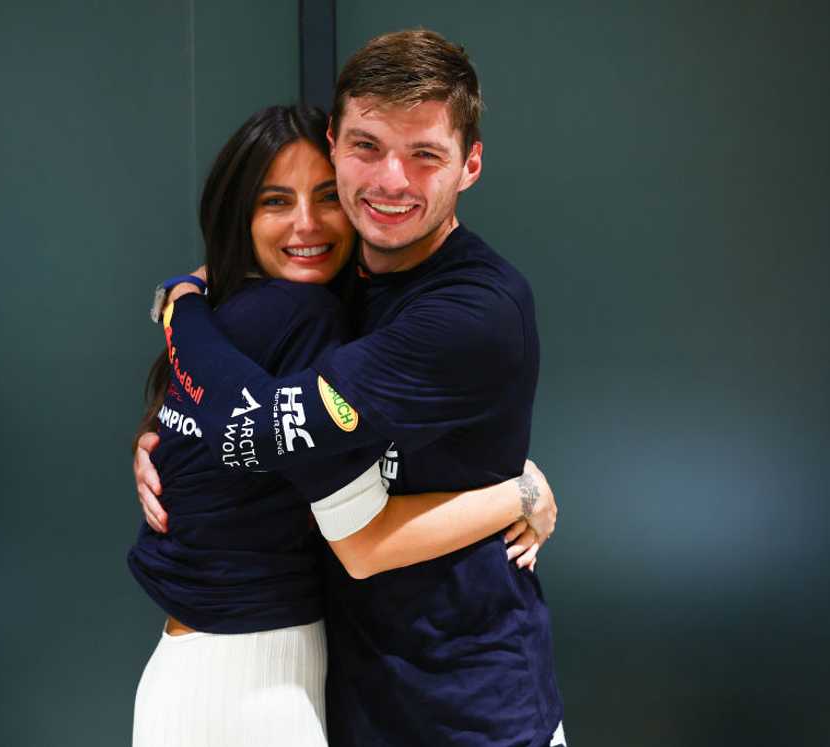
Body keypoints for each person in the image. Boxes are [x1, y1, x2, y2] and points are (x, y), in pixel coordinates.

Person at [137, 29, 567, 746]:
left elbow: (270, 436)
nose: (391, 180)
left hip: (472, 712)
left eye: (425, 154)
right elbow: (227, 413)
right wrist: (167, 438)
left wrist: (179, 306)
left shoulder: (471, 311)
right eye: (368, 146)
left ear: (471, 166)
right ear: (335, 142)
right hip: (349, 698)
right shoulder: (335, 288)